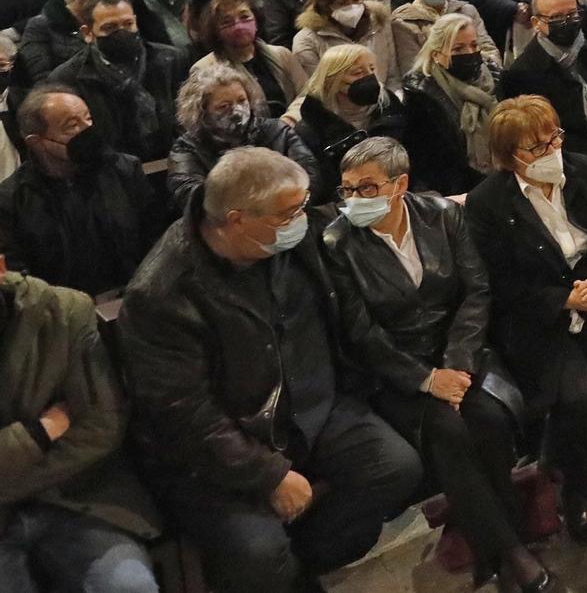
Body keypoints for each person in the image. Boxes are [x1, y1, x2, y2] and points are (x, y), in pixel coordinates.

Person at [120, 147, 423, 593]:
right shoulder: (163, 292)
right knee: (257, 554)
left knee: (396, 468)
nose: (302, 219)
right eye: (288, 213)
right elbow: (181, 412)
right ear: (237, 219)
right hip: (220, 446)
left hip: (310, 408)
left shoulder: (292, 241)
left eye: (302, 206)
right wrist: (269, 474)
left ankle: (304, 564)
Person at [317, 138, 551, 592]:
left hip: (458, 352)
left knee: (488, 417)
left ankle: (494, 549)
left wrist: (457, 365)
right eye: (346, 189)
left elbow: (475, 291)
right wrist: (426, 379)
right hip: (395, 370)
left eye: (366, 188)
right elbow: (361, 333)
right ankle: (512, 552)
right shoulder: (337, 242)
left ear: (400, 184)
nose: (353, 200)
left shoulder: (442, 215)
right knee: (446, 430)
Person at [467, 96, 587, 540]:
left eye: (553, 137)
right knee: (572, 397)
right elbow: (501, 284)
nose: (550, 151)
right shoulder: (488, 205)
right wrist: (563, 300)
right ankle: (576, 494)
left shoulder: (584, 172)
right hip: (543, 317)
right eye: (535, 148)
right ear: (509, 158)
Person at [0, 253, 162, 593]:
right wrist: (40, 434)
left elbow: (101, 427)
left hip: (81, 497)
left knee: (129, 587)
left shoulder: (65, 311)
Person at [0, 83, 162, 295]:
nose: (87, 130)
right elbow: (20, 280)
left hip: (133, 298)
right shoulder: (11, 200)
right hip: (65, 315)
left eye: (88, 118)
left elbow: (155, 239)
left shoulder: (124, 170)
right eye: (72, 126)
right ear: (37, 142)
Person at [48, 0, 184, 164]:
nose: (122, 33)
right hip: (111, 171)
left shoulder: (171, 60)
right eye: (110, 28)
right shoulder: (67, 78)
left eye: (128, 24)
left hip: (172, 161)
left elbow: (186, 119)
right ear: (88, 33)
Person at [168, 62, 318, 207]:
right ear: (202, 112)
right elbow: (193, 198)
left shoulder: (276, 131)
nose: (238, 112)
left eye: (242, 101)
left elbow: (311, 178)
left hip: (289, 214)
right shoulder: (186, 148)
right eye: (224, 107)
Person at [499, 0, 587, 155]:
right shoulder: (521, 75)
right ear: (536, 23)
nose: (566, 22)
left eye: (572, 15)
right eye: (556, 18)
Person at [398, 13, 499, 194]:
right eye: (458, 49)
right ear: (437, 54)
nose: (469, 53)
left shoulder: (495, 77)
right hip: (454, 187)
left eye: (474, 45)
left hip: (501, 176)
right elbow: (427, 161)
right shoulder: (420, 94)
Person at [289, 43, 395, 189]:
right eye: (357, 73)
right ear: (332, 80)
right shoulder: (310, 130)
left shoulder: (396, 113)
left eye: (371, 69)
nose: (370, 77)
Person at [191, 0, 308, 115]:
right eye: (227, 22)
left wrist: (289, 119)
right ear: (215, 31)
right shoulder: (204, 68)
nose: (239, 26)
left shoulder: (282, 55)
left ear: (256, 21)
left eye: (244, 17)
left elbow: (306, 93)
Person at [291, 0, 397, 82]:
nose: (351, 6)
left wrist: (392, 98)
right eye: (341, 2)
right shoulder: (307, 40)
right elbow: (316, 88)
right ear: (326, 5)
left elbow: (393, 76)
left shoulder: (380, 23)